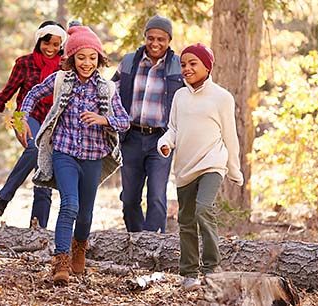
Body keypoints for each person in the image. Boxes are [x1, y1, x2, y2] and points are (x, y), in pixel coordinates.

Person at [18, 25, 130, 285]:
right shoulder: (60, 80)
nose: (87, 63)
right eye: (81, 57)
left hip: (92, 156)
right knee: (69, 205)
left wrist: (103, 119)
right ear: (71, 58)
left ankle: (80, 247)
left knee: (86, 213)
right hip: (64, 152)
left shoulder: (106, 88)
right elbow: (34, 93)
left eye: (92, 58)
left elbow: (124, 121)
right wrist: (22, 117)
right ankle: (60, 261)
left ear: (99, 59)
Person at [157, 43, 244, 291]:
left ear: (208, 66)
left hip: (212, 163)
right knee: (185, 220)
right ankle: (189, 274)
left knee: (203, 209)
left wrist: (234, 169)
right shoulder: (179, 96)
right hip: (185, 167)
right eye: (183, 64)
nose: (186, 68)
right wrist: (164, 144)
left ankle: (211, 269)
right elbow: (172, 129)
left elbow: (230, 136)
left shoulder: (222, 97)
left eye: (193, 63)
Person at [0, 21, 67, 228]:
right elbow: (5, 94)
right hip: (25, 118)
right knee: (35, 149)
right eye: (47, 43)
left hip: (53, 125)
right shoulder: (24, 63)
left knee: (44, 175)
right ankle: (4, 197)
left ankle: (38, 229)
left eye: (56, 45)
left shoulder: (66, 67)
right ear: (39, 41)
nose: (51, 49)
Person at [112, 15, 184, 233]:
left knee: (156, 195)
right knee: (130, 198)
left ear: (169, 40)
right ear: (145, 37)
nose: (155, 43)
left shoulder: (178, 66)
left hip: (161, 138)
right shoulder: (128, 61)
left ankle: (153, 241)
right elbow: (110, 92)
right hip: (131, 137)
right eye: (151, 38)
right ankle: (136, 239)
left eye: (161, 39)